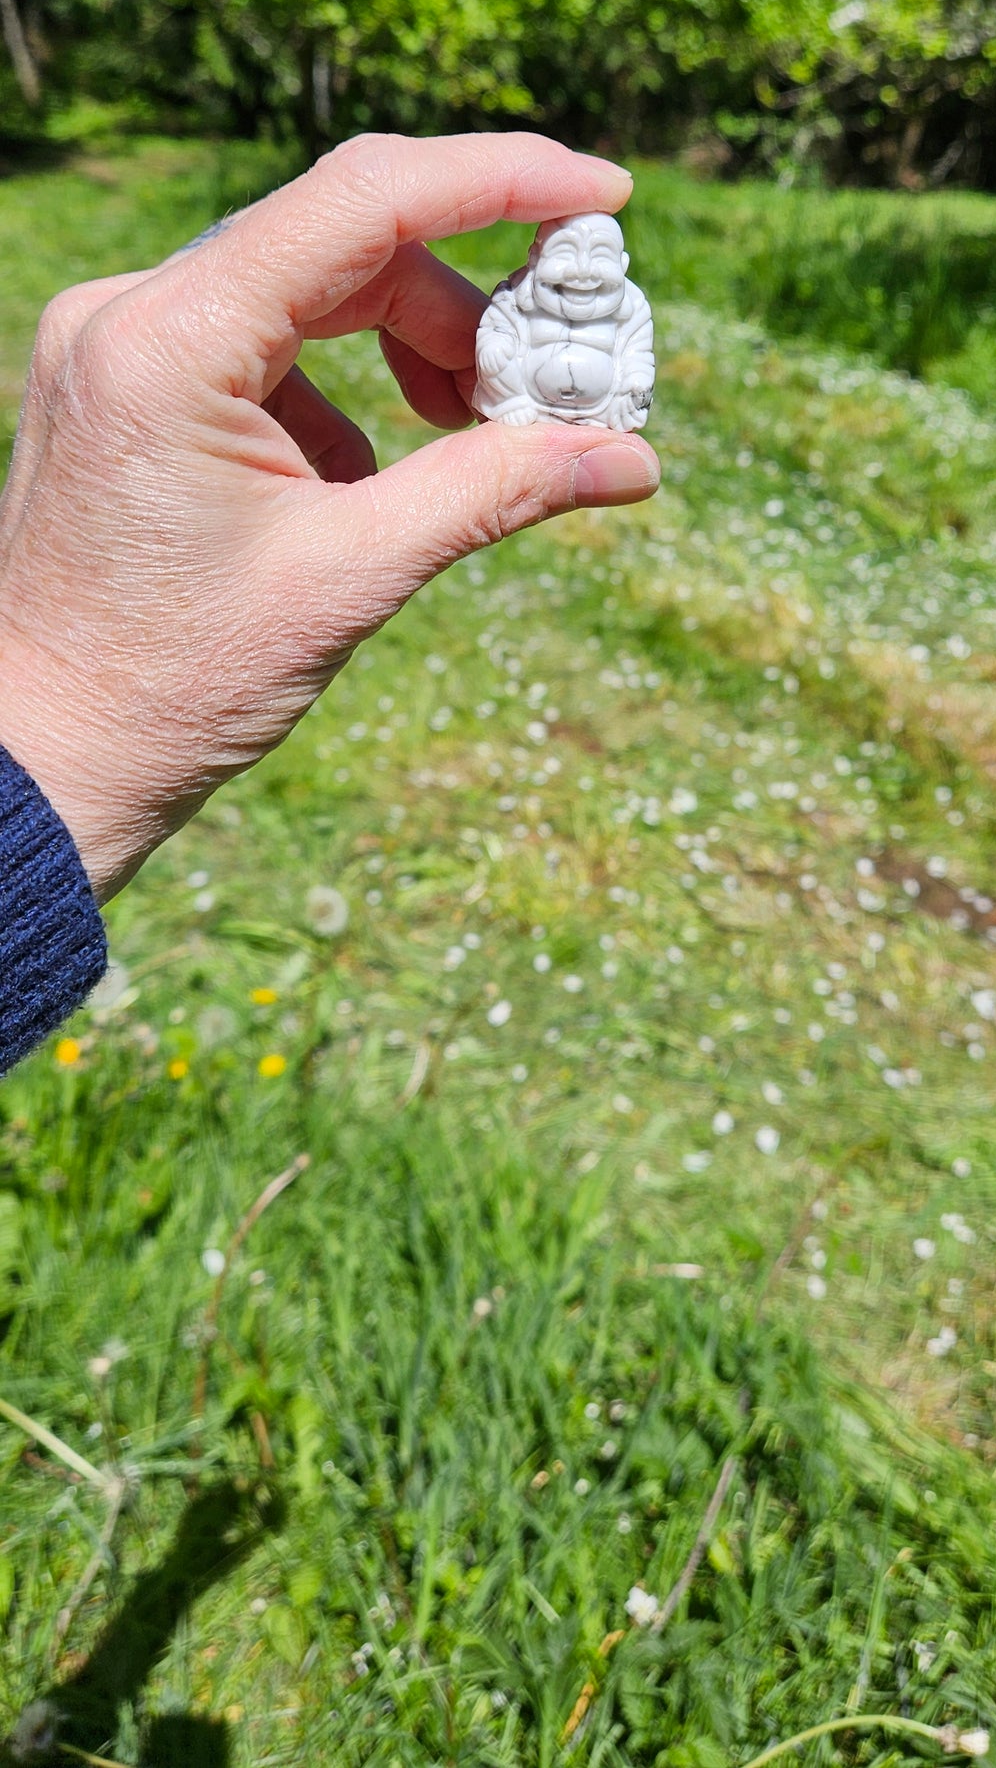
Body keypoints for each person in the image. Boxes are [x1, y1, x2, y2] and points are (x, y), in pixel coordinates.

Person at [0, 131, 659, 1071]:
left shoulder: (624, 310)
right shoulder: (521, 304)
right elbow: (503, 338)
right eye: (572, 255)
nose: (588, 273)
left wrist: (622, 389)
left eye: (603, 258)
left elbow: (631, 352)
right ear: (539, 260)